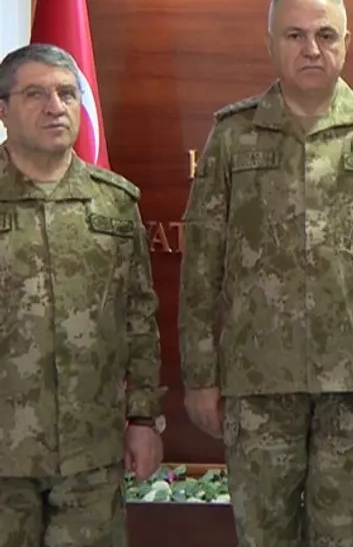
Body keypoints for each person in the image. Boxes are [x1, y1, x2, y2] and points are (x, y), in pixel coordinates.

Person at [178, 0, 353, 547]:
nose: (311, 49)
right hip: (257, 383)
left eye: (325, 35)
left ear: (347, 43)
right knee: (262, 537)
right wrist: (200, 378)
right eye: (295, 35)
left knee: (343, 538)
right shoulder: (234, 135)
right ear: (271, 43)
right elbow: (201, 268)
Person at [0, 43, 165, 545]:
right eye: (35, 94)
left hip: (90, 454)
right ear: (3, 111)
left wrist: (143, 419)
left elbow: (139, 318)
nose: (55, 107)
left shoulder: (114, 203)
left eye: (67, 94)